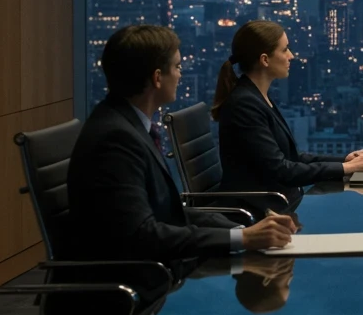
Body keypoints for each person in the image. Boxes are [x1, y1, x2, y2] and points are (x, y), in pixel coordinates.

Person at [68, 25, 297, 264]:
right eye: (177, 67)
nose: (180, 75)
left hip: (155, 267)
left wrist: (241, 229)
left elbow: (169, 211)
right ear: (157, 78)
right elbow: (142, 236)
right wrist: (242, 237)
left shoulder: (126, 124)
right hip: (132, 286)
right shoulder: (116, 140)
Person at [214, 20, 363, 212]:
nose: (291, 56)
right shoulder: (245, 105)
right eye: (285, 50)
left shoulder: (257, 97)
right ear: (265, 60)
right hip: (262, 213)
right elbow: (282, 170)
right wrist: (346, 169)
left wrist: (344, 160)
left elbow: (290, 157)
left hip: (280, 204)